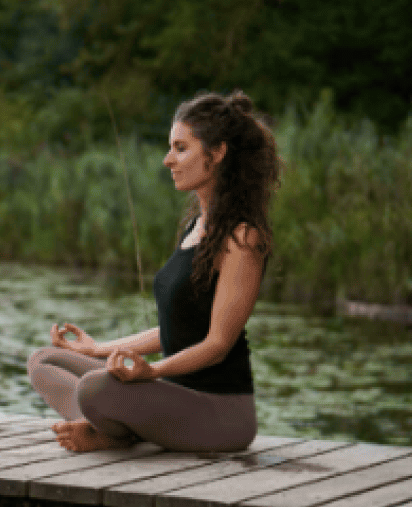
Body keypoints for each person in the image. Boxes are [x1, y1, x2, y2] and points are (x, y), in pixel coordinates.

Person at [26, 90, 280, 453]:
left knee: (95, 388)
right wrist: (97, 349)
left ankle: (113, 432)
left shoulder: (242, 238)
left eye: (180, 148)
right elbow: (176, 330)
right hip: (172, 397)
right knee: (43, 362)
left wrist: (153, 372)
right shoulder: (196, 226)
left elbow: (217, 343)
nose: (167, 160)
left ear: (218, 152)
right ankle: (114, 429)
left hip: (220, 413)